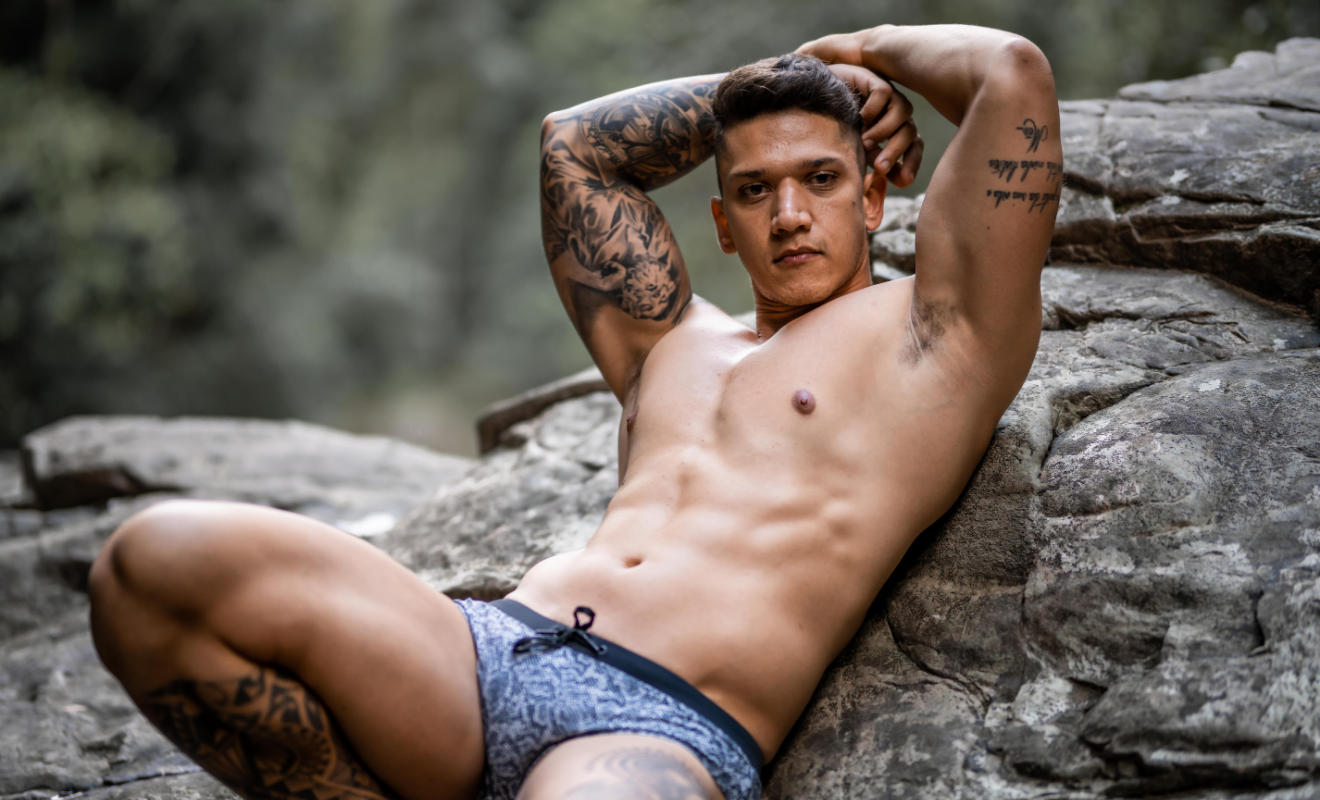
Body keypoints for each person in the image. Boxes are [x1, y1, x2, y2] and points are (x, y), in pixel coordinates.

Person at [88, 22, 1061, 800]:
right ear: (722, 224)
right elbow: (575, 147)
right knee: (150, 565)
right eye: (754, 189)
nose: (791, 214)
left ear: (875, 195)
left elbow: (1011, 74)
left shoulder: (934, 338)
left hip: (656, 725)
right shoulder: (667, 342)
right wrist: (785, 79)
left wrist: (856, 56)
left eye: (821, 177)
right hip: (488, 654)